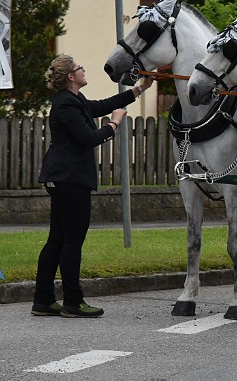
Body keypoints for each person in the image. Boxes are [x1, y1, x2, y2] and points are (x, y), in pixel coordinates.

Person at [33, 55, 154, 318]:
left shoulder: (73, 101)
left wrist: (138, 89)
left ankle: (43, 300)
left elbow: (101, 105)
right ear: (71, 77)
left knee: (58, 239)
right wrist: (114, 124)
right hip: (70, 180)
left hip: (65, 179)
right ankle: (73, 302)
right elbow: (88, 138)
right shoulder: (66, 104)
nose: (84, 70)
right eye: (80, 68)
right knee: (71, 241)